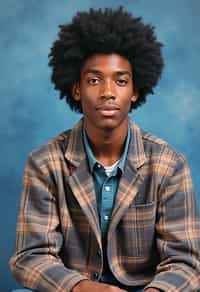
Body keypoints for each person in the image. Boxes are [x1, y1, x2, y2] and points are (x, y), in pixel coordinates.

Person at [10, 7, 200, 292]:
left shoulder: (169, 165)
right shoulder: (45, 163)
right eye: (94, 80)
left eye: (121, 81)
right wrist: (85, 288)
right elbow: (30, 257)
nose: (108, 91)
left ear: (135, 91)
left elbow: (186, 262)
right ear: (76, 89)